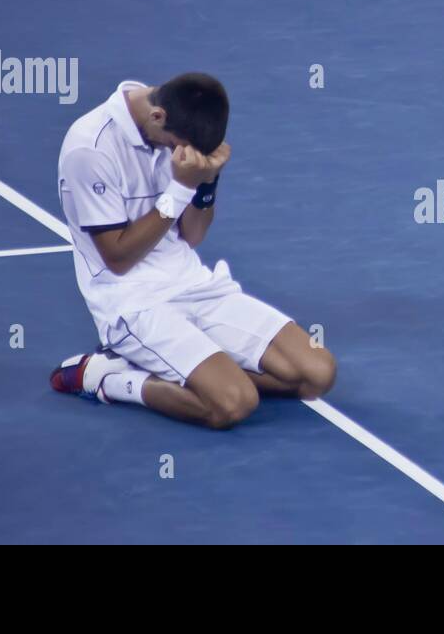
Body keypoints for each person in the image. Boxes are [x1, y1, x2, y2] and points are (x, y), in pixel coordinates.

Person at [49, 73, 335, 428]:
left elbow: (193, 236)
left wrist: (207, 182)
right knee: (233, 403)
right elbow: (118, 260)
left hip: (193, 285)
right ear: (157, 118)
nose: (180, 156)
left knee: (316, 374)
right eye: (175, 146)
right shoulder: (89, 149)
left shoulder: (178, 124)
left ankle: (201, 370)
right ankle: (108, 379)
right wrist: (181, 188)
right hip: (131, 304)